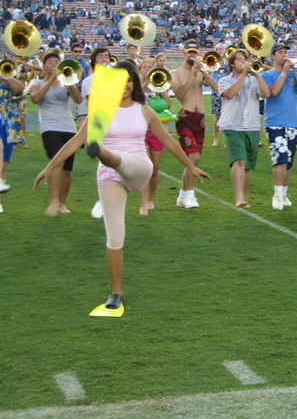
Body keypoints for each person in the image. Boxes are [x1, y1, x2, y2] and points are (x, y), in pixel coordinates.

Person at [33, 61, 210, 315]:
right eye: (119, 80)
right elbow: (74, 142)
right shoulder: (101, 112)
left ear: (135, 83)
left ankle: (102, 152)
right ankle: (116, 293)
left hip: (138, 169)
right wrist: (49, 168)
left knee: (116, 158)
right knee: (115, 237)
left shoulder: (144, 111)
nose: (124, 85)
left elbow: (168, 141)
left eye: (128, 80)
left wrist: (190, 168)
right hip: (109, 174)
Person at [30, 50, 82, 216]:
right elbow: (36, 99)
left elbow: (78, 100)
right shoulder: (37, 84)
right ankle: (53, 201)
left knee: (67, 169)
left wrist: (70, 82)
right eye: (50, 62)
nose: (53, 65)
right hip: (49, 127)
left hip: (68, 127)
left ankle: (61, 203)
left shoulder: (65, 83)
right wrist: (51, 79)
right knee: (56, 162)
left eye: (56, 62)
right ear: (44, 66)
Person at [218, 49, 272, 207]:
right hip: (232, 125)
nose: (243, 62)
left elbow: (266, 94)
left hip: (252, 126)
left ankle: (243, 197)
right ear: (232, 63)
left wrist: (256, 74)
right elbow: (229, 94)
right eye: (240, 59)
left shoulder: (254, 79)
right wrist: (243, 75)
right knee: (239, 160)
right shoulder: (224, 80)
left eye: (245, 59)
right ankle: (239, 198)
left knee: (247, 165)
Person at [170, 39, 218, 209]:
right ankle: (190, 195)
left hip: (200, 119)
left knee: (194, 160)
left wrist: (204, 73)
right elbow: (180, 95)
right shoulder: (175, 73)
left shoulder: (200, 72)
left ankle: (183, 195)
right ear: (183, 52)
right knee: (193, 157)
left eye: (195, 52)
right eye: (189, 52)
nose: (192, 55)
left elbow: (215, 87)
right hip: (185, 117)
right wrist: (191, 76)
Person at [262, 43, 297, 210]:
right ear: (273, 56)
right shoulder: (267, 75)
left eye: (286, 52)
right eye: (280, 52)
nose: (284, 55)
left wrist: (295, 70)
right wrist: (283, 72)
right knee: (280, 158)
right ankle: (276, 195)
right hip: (274, 123)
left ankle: (283, 194)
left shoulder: (293, 73)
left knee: (288, 162)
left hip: (293, 123)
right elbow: (272, 92)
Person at [82, 47, 111, 219]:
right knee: (103, 162)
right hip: (98, 121)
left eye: (106, 56)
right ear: (94, 61)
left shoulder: (116, 78)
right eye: (100, 57)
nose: (104, 59)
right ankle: (101, 200)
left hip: (116, 120)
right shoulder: (88, 82)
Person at [137, 57, 170, 215]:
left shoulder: (159, 86)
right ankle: (143, 203)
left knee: (155, 169)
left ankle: (150, 199)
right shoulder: (137, 87)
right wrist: (145, 83)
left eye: (150, 67)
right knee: (145, 167)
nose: (148, 69)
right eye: (145, 67)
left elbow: (169, 103)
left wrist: (160, 88)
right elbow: (135, 100)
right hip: (141, 131)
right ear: (140, 70)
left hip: (156, 131)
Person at [0, 67, 24, 213]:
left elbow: (19, 90)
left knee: (3, 165)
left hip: (8, 122)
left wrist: (5, 75)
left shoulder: (7, 77)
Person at [67, 43, 91, 130]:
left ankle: (80, 139)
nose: (78, 53)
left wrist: (83, 71)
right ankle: (71, 136)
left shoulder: (84, 64)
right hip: (71, 93)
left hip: (81, 92)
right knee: (71, 118)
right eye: (76, 51)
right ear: (71, 52)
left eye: (80, 51)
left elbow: (87, 79)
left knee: (82, 117)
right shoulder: (67, 63)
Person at [210, 43, 228, 147]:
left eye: (223, 49)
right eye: (220, 49)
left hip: (227, 89)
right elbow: (215, 67)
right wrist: (221, 56)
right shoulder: (211, 60)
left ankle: (227, 138)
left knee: (228, 115)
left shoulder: (229, 61)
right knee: (217, 115)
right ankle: (216, 139)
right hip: (216, 89)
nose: (222, 50)